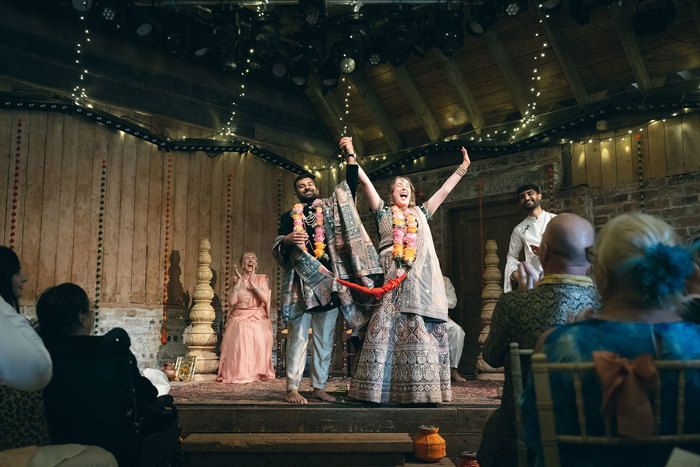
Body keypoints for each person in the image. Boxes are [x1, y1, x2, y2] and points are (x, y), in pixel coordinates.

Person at [521, 212, 700, 467]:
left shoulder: (557, 345)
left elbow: (534, 436)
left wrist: (576, 334)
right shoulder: (695, 343)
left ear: (603, 275)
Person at [346, 136, 470, 403]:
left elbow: (444, 192)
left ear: (411, 194)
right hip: (390, 276)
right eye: (398, 186)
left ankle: (419, 389)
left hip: (418, 280)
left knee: (417, 325)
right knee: (387, 324)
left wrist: (462, 169)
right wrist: (352, 154)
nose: (403, 188)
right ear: (391, 194)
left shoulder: (421, 214)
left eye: (407, 186)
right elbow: (365, 182)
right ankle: (378, 390)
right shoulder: (382, 212)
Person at [477, 213, 600, 467]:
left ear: (542, 252)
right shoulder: (608, 305)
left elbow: (491, 357)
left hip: (523, 439)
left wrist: (523, 299)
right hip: (595, 439)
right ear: (591, 257)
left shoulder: (515, 304)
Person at [273, 145, 382, 404]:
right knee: (298, 338)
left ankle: (319, 387)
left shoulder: (331, 209)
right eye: (302, 186)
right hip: (300, 283)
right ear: (297, 192)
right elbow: (278, 247)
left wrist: (350, 154)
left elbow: (350, 187)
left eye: (310, 184)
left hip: (329, 285)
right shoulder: (289, 216)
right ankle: (292, 387)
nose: (307, 188)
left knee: (324, 340)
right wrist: (287, 239)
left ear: (316, 188)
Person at [0, 247, 117, 467]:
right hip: (16, 447)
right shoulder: (102, 354)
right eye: (16, 272)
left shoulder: (37, 340)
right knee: (104, 458)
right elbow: (37, 372)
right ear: (82, 317)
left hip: (35, 440)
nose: (23, 278)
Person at [217, 250, 275, 383]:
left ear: (256, 263)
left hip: (257, 315)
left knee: (256, 329)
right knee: (241, 328)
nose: (250, 260)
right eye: (247, 258)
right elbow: (231, 302)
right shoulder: (236, 280)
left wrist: (253, 285)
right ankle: (240, 372)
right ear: (242, 264)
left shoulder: (261, 278)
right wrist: (239, 283)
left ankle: (257, 372)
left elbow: (266, 300)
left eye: (253, 258)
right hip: (239, 315)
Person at [503, 184, 557, 293]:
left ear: (539, 196)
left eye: (530, 194)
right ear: (520, 203)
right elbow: (511, 257)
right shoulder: (519, 229)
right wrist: (520, 277)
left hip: (557, 276)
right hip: (533, 282)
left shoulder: (555, 220)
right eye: (522, 197)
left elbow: (569, 248)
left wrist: (547, 251)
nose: (527, 198)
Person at [443, 275, 466, 382]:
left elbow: (452, 301)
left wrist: (437, 300)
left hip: (442, 317)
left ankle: (453, 369)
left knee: (457, 331)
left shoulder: (445, 280)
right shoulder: (420, 278)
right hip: (423, 319)